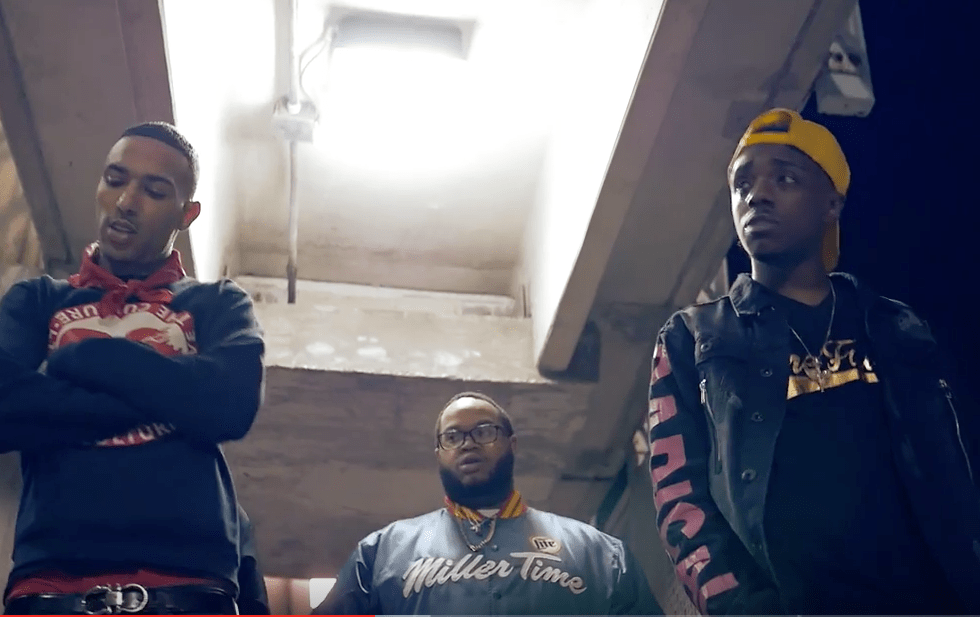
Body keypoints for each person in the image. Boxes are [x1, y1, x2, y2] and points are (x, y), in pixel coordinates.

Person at [647, 107, 980, 615]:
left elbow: (959, 462)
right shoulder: (691, 339)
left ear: (831, 202)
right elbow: (680, 502)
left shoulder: (896, 326)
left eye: (785, 178)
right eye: (742, 184)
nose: (756, 195)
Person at [0, 122, 266, 614]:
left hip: (189, 584)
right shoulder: (37, 299)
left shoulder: (217, 302)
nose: (126, 201)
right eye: (115, 179)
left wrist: (84, 359)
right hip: (51, 584)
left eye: (154, 190)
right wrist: (174, 396)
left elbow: (231, 405)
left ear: (186, 214)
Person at [314, 392, 664, 615]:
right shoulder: (382, 553)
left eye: (483, 432)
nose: (468, 444)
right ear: (439, 454)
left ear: (512, 444)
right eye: (452, 437)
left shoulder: (601, 555)